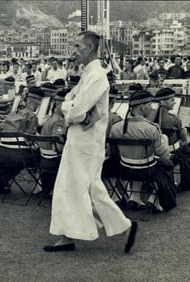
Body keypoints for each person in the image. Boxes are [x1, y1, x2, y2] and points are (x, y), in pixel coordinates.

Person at [44, 31, 137, 253]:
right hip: (79, 139)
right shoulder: (88, 74)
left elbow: (75, 110)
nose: (73, 51)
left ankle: (124, 226)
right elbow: (69, 100)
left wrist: (69, 108)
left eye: (77, 46)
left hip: (87, 142)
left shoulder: (97, 77)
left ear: (90, 48)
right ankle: (68, 235)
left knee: (84, 187)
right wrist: (70, 106)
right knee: (73, 186)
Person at [110, 90, 176, 212]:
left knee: (136, 161)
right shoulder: (151, 128)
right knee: (166, 165)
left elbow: (113, 152)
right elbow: (163, 156)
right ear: (141, 106)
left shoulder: (116, 128)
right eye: (149, 105)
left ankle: (134, 198)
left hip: (124, 170)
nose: (151, 108)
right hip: (147, 172)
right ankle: (153, 200)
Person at [0, 86, 44, 194]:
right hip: (18, 156)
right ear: (36, 101)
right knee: (42, 156)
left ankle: (1, 182)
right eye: (39, 102)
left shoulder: (13, 113)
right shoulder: (32, 116)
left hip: (1, 153)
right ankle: (40, 188)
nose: (39, 105)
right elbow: (29, 140)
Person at [154, 88, 190, 191]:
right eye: (172, 100)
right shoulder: (173, 119)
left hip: (152, 153)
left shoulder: (151, 116)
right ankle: (186, 184)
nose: (175, 102)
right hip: (170, 153)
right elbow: (182, 137)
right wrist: (184, 130)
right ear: (162, 102)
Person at [38, 88, 69, 196]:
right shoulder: (60, 121)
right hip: (52, 159)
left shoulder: (51, 118)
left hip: (43, 157)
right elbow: (57, 146)